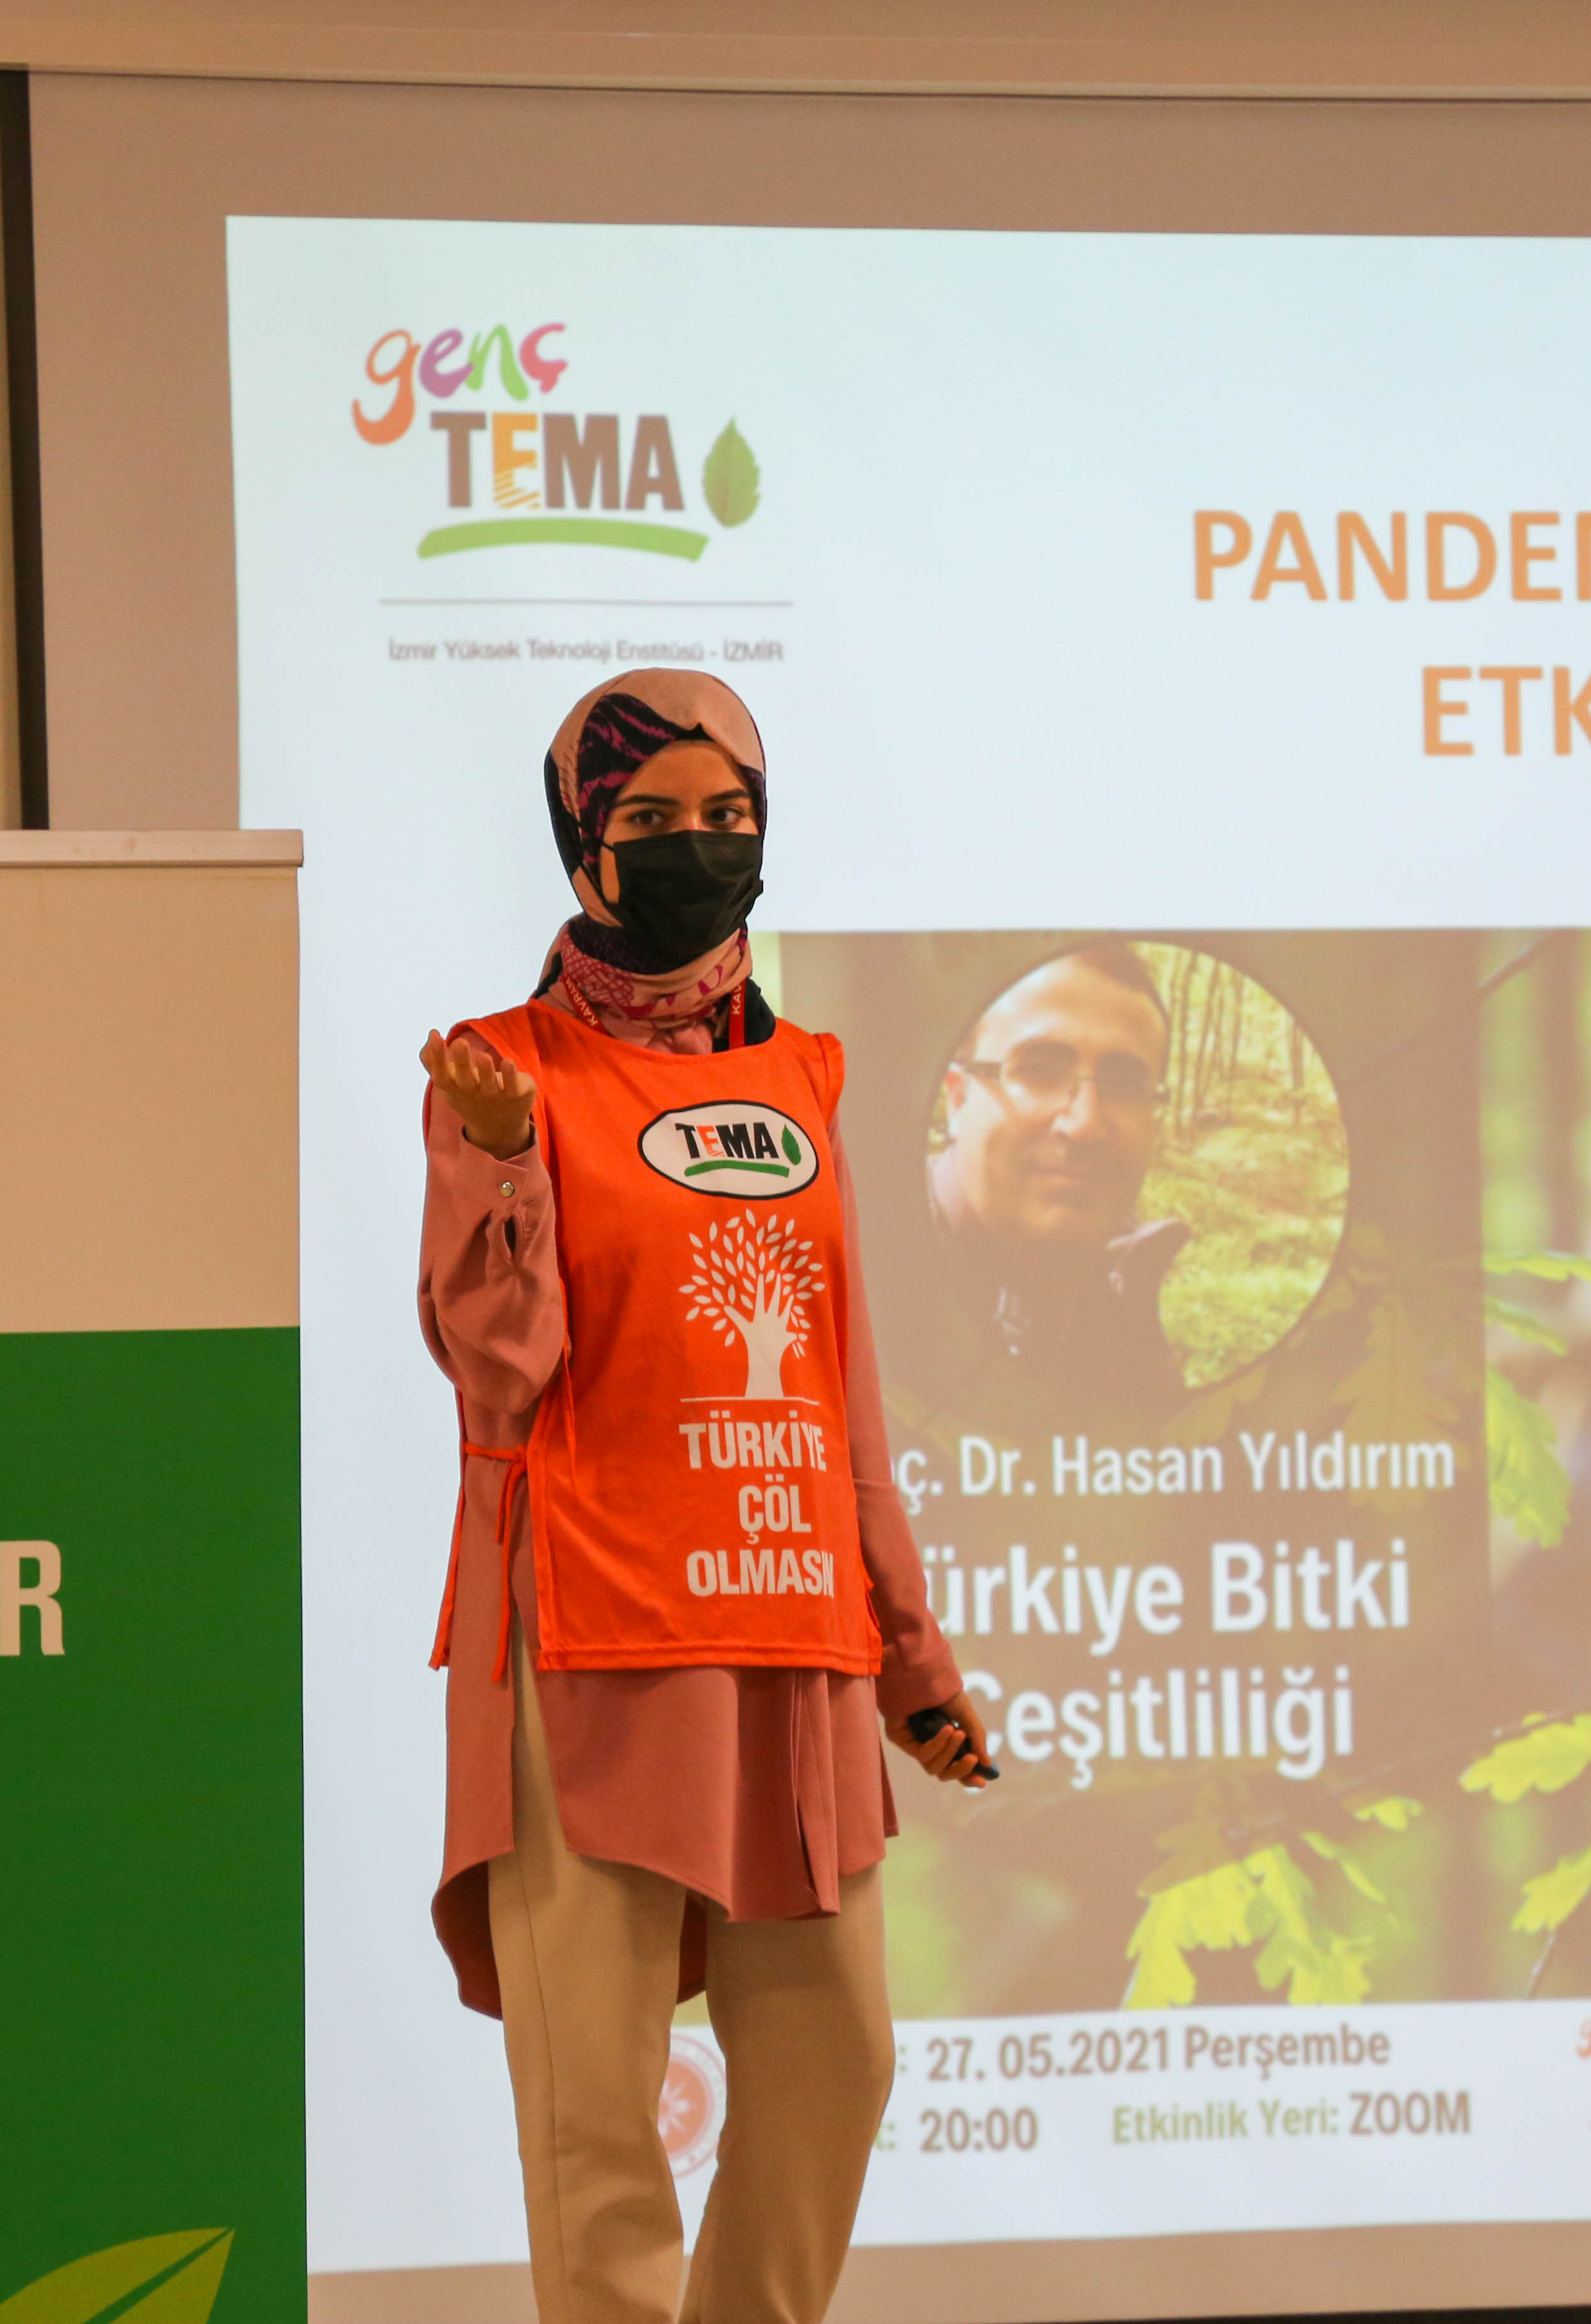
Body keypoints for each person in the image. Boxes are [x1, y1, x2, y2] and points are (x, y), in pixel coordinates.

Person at [416, 669, 995, 2324]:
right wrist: (504, 1165)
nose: (701, 846)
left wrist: (913, 1657)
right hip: (594, 1637)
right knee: (599, 2116)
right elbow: (499, 1372)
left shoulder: (803, 1075)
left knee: (838, 2063)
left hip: (793, 1630)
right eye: (655, 818)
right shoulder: (498, 1068)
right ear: (581, 841)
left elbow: (840, 1391)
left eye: (729, 815)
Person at [925, 942, 1188, 1405]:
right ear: (958, 1098)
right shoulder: (858, 1279)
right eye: (1040, 1071)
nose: (1084, 1124)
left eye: (1125, 1084)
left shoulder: (1122, 1286)